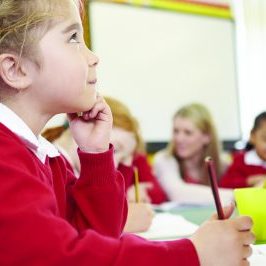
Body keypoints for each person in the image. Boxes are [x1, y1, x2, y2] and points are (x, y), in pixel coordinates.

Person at [0, 0, 254, 265]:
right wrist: (194, 253)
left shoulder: (46, 158)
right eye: (74, 37)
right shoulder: (5, 158)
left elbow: (97, 236)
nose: (94, 57)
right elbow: (63, 257)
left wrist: (96, 155)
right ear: (15, 69)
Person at [43, 122, 154, 233]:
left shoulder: (68, 169)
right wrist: (124, 223)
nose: (115, 165)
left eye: (121, 159)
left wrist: (126, 164)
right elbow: (63, 231)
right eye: (115, 151)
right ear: (86, 129)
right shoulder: (54, 168)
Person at [153, 103, 233, 205]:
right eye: (176, 131)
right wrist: (237, 195)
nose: (179, 139)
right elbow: (178, 193)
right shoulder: (164, 159)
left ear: (207, 137)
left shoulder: (223, 164)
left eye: (188, 132)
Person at [105, 96, 168, 204]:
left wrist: (141, 190)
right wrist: (122, 159)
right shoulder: (93, 157)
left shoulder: (135, 155)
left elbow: (160, 195)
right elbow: (110, 200)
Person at [220, 111, 266, 188]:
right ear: (252, 136)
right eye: (265, 139)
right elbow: (225, 183)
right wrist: (251, 180)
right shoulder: (241, 160)